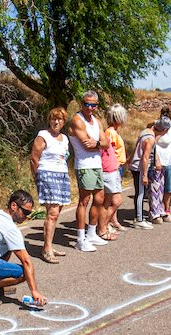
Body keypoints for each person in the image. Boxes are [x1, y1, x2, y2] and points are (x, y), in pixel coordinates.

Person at [28, 107, 71, 263]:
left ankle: (49, 245)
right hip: (47, 175)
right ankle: (46, 250)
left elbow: (64, 157)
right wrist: (37, 177)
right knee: (52, 213)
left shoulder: (65, 138)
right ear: (49, 120)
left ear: (64, 122)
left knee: (56, 212)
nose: (56, 121)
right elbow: (34, 158)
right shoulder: (43, 136)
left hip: (62, 175)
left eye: (60, 119)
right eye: (54, 118)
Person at [69, 90, 109, 253]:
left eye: (93, 105)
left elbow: (106, 143)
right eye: (87, 104)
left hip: (96, 164)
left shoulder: (97, 121)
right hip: (84, 165)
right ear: (81, 103)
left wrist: (97, 143)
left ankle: (91, 233)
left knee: (99, 199)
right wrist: (98, 144)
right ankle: (80, 239)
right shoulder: (78, 120)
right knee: (84, 201)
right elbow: (86, 144)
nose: (90, 108)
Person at [99, 103, 129, 239]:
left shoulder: (114, 132)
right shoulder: (110, 133)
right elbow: (106, 152)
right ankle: (103, 227)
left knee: (112, 201)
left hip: (116, 168)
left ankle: (105, 225)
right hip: (110, 169)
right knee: (113, 201)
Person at [129, 118, 163, 229]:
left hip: (136, 165)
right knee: (140, 193)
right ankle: (139, 219)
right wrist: (144, 175)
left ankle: (140, 217)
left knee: (140, 192)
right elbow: (145, 157)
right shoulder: (151, 139)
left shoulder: (146, 131)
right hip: (139, 167)